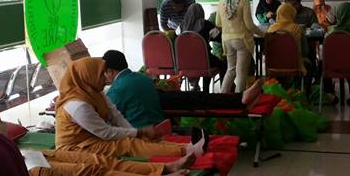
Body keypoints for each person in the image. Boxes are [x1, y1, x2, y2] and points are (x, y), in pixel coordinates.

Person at [0, 96, 193, 176]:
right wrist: (139, 133)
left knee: (103, 161)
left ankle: (165, 166)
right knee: (93, 172)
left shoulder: (91, 94)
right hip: (24, 173)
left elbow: (0, 140)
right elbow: (106, 131)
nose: (102, 79)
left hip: (34, 155)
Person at [53, 57, 205, 159]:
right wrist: (138, 132)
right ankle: (185, 151)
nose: (105, 78)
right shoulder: (78, 105)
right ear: (87, 77)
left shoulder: (95, 92)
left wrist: (136, 134)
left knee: (138, 140)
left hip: (93, 140)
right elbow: (106, 132)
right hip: (76, 148)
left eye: (105, 73)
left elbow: (115, 114)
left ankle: (186, 147)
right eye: (101, 75)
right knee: (128, 145)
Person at [104, 49, 265, 116]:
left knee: (199, 100)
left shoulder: (115, 91)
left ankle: (240, 99)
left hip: (157, 106)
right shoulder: (139, 76)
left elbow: (110, 116)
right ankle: (239, 99)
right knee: (200, 98)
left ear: (110, 71)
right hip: (160, 99)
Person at [215, 0, 263, 93]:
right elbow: (249, 25)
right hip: (242, 40)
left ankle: (222, 97)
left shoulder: (221, 1)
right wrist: (263, 34)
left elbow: (218, 23)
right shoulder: (243, 1)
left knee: (231, 70)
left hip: (226, 40)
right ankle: (239, 99)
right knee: (241, 72)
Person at [178, 3, 227, 88]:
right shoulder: (206, 24)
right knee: (222, 65)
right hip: (204, 60)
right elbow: (219, 38)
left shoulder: (181, 26)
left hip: (185, 61)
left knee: (207, 63)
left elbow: (176, 39)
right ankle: (221, 91)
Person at [266, 3, 309, 75]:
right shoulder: (296, 28)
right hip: (294, 64)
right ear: (291, 14)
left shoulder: (271, 29)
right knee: (308, 63)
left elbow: (266, 51)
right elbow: (305, 51)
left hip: (273, 66)